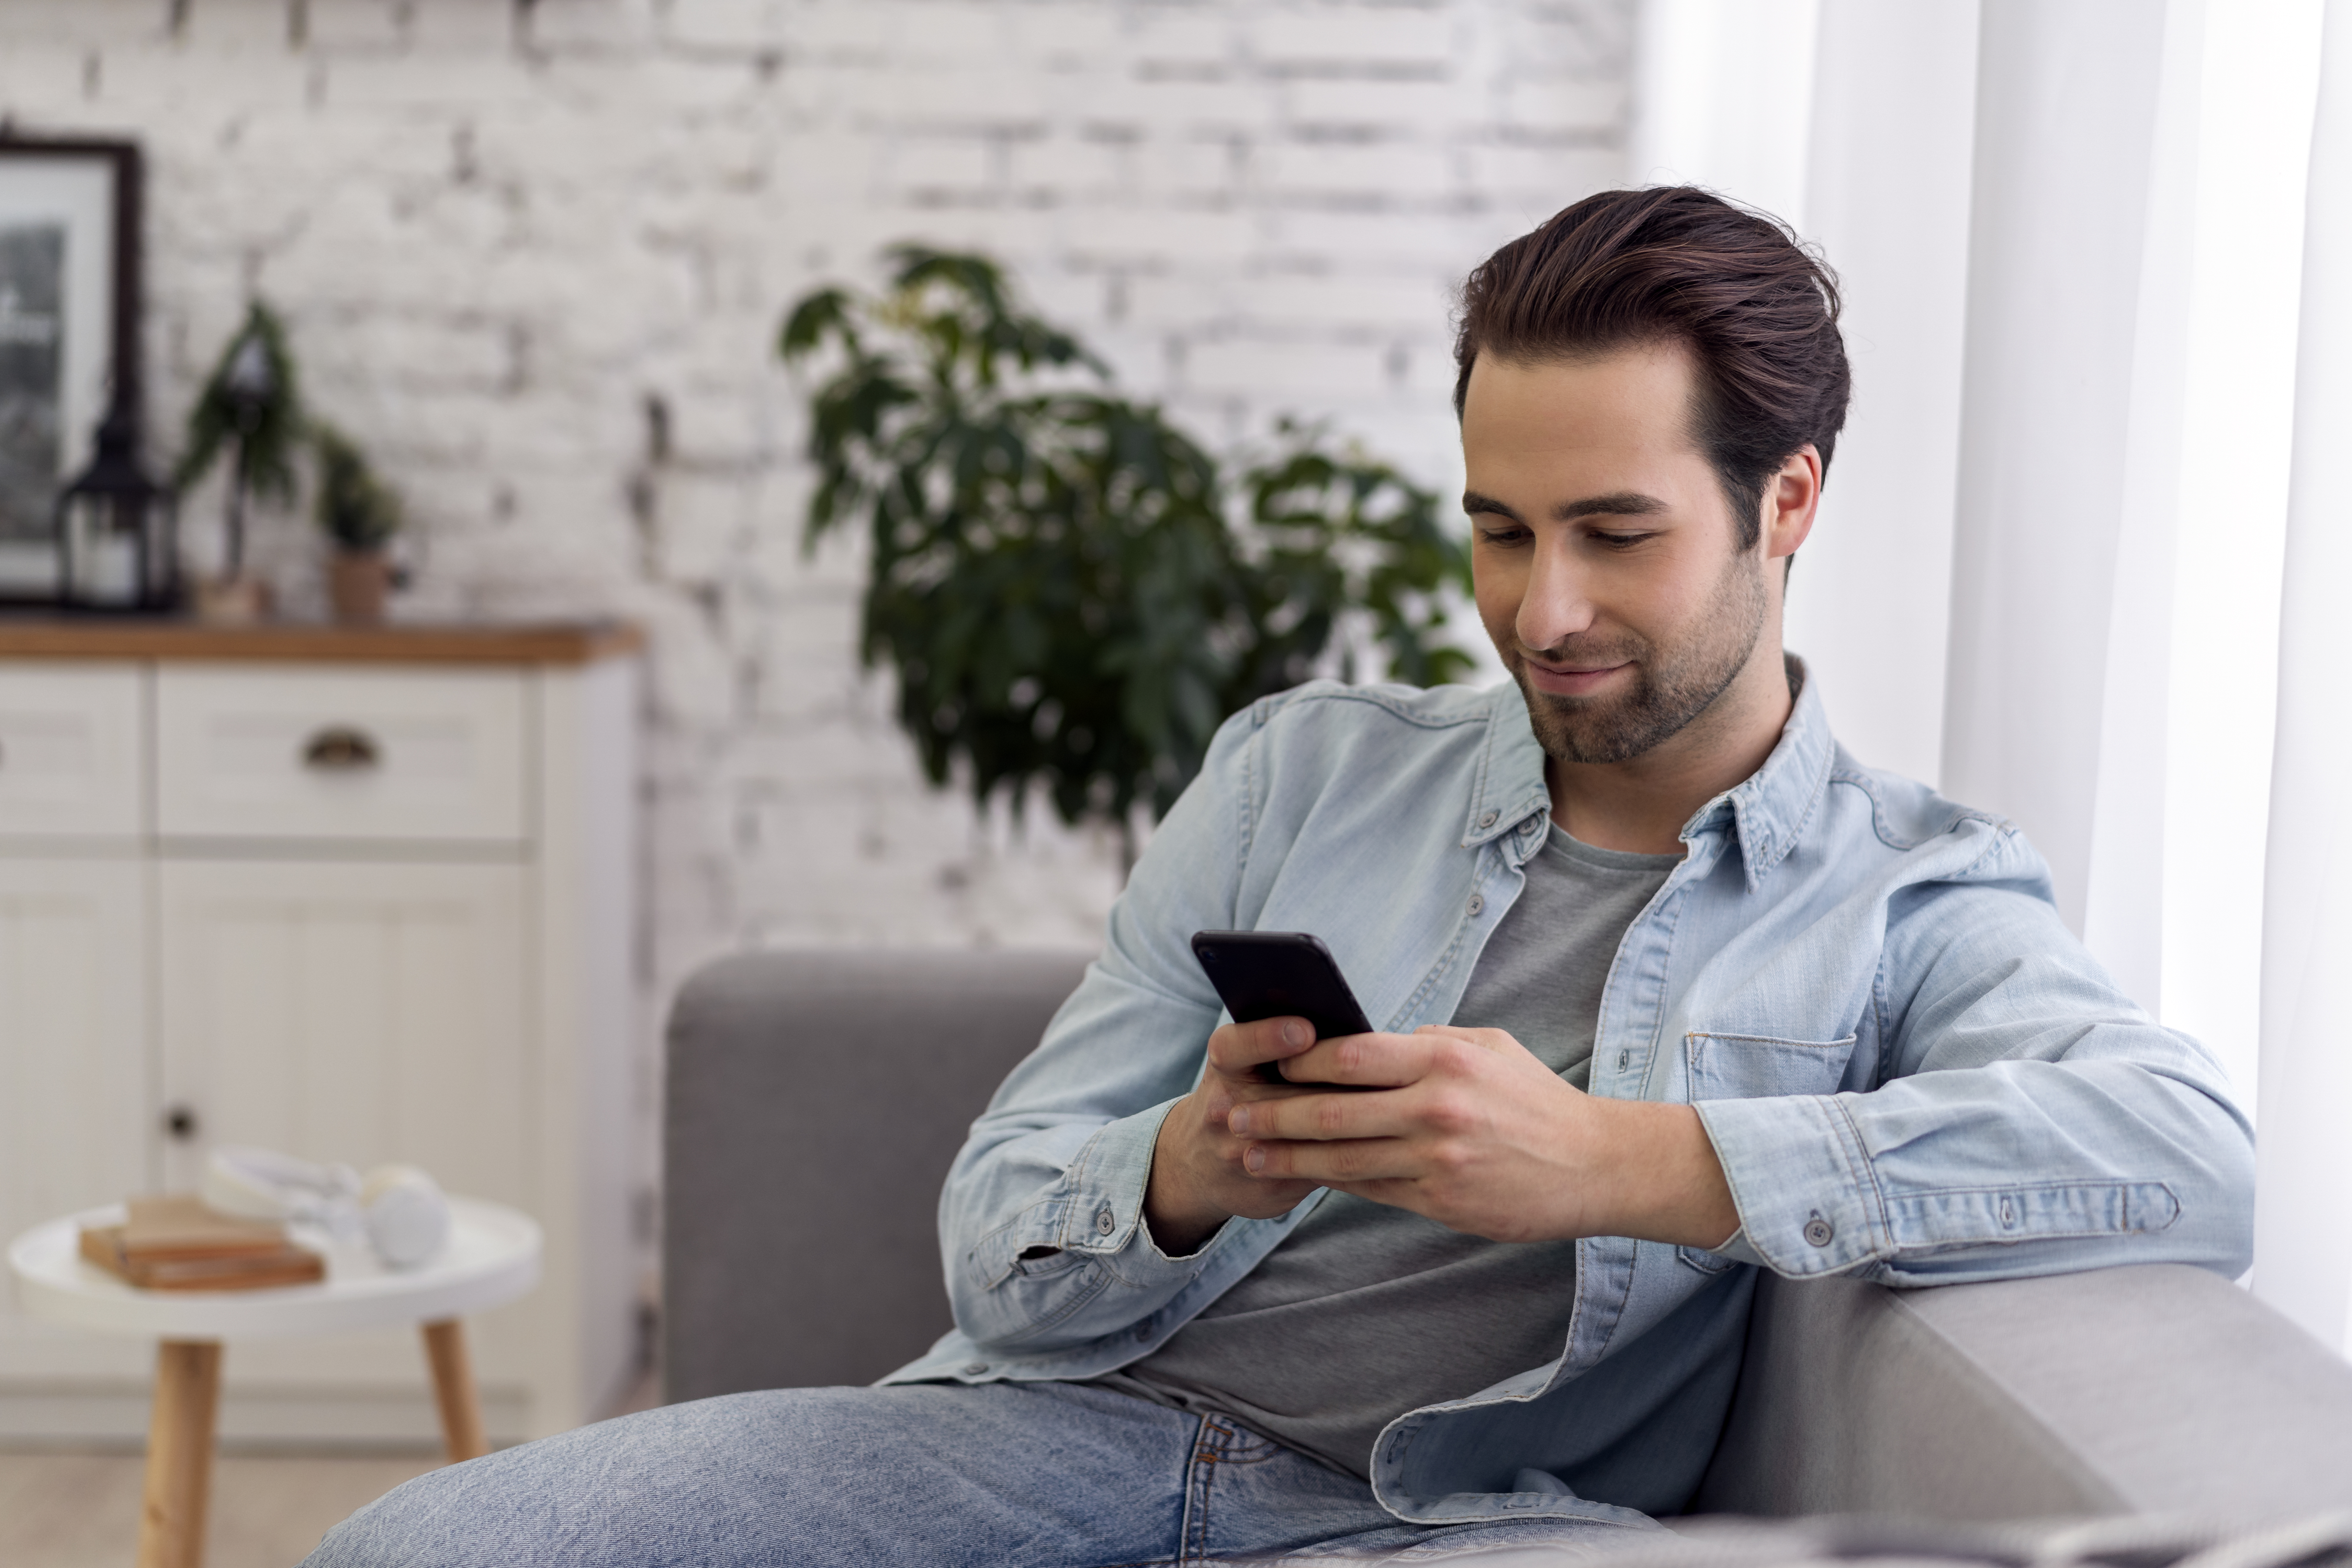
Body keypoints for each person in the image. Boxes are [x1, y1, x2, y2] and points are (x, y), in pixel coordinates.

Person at [308, 186, 2253, 1567]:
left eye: (1615, 533)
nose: (1542, 610)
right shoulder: (1302, 771)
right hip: (1050, 1436)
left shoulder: (1912, 891)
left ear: (1789, 501)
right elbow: (996, 1223)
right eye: (1500, 530)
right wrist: (1183, 1167)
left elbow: (2187, 1151)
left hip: (1450, 1520)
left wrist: (1623, 1160)